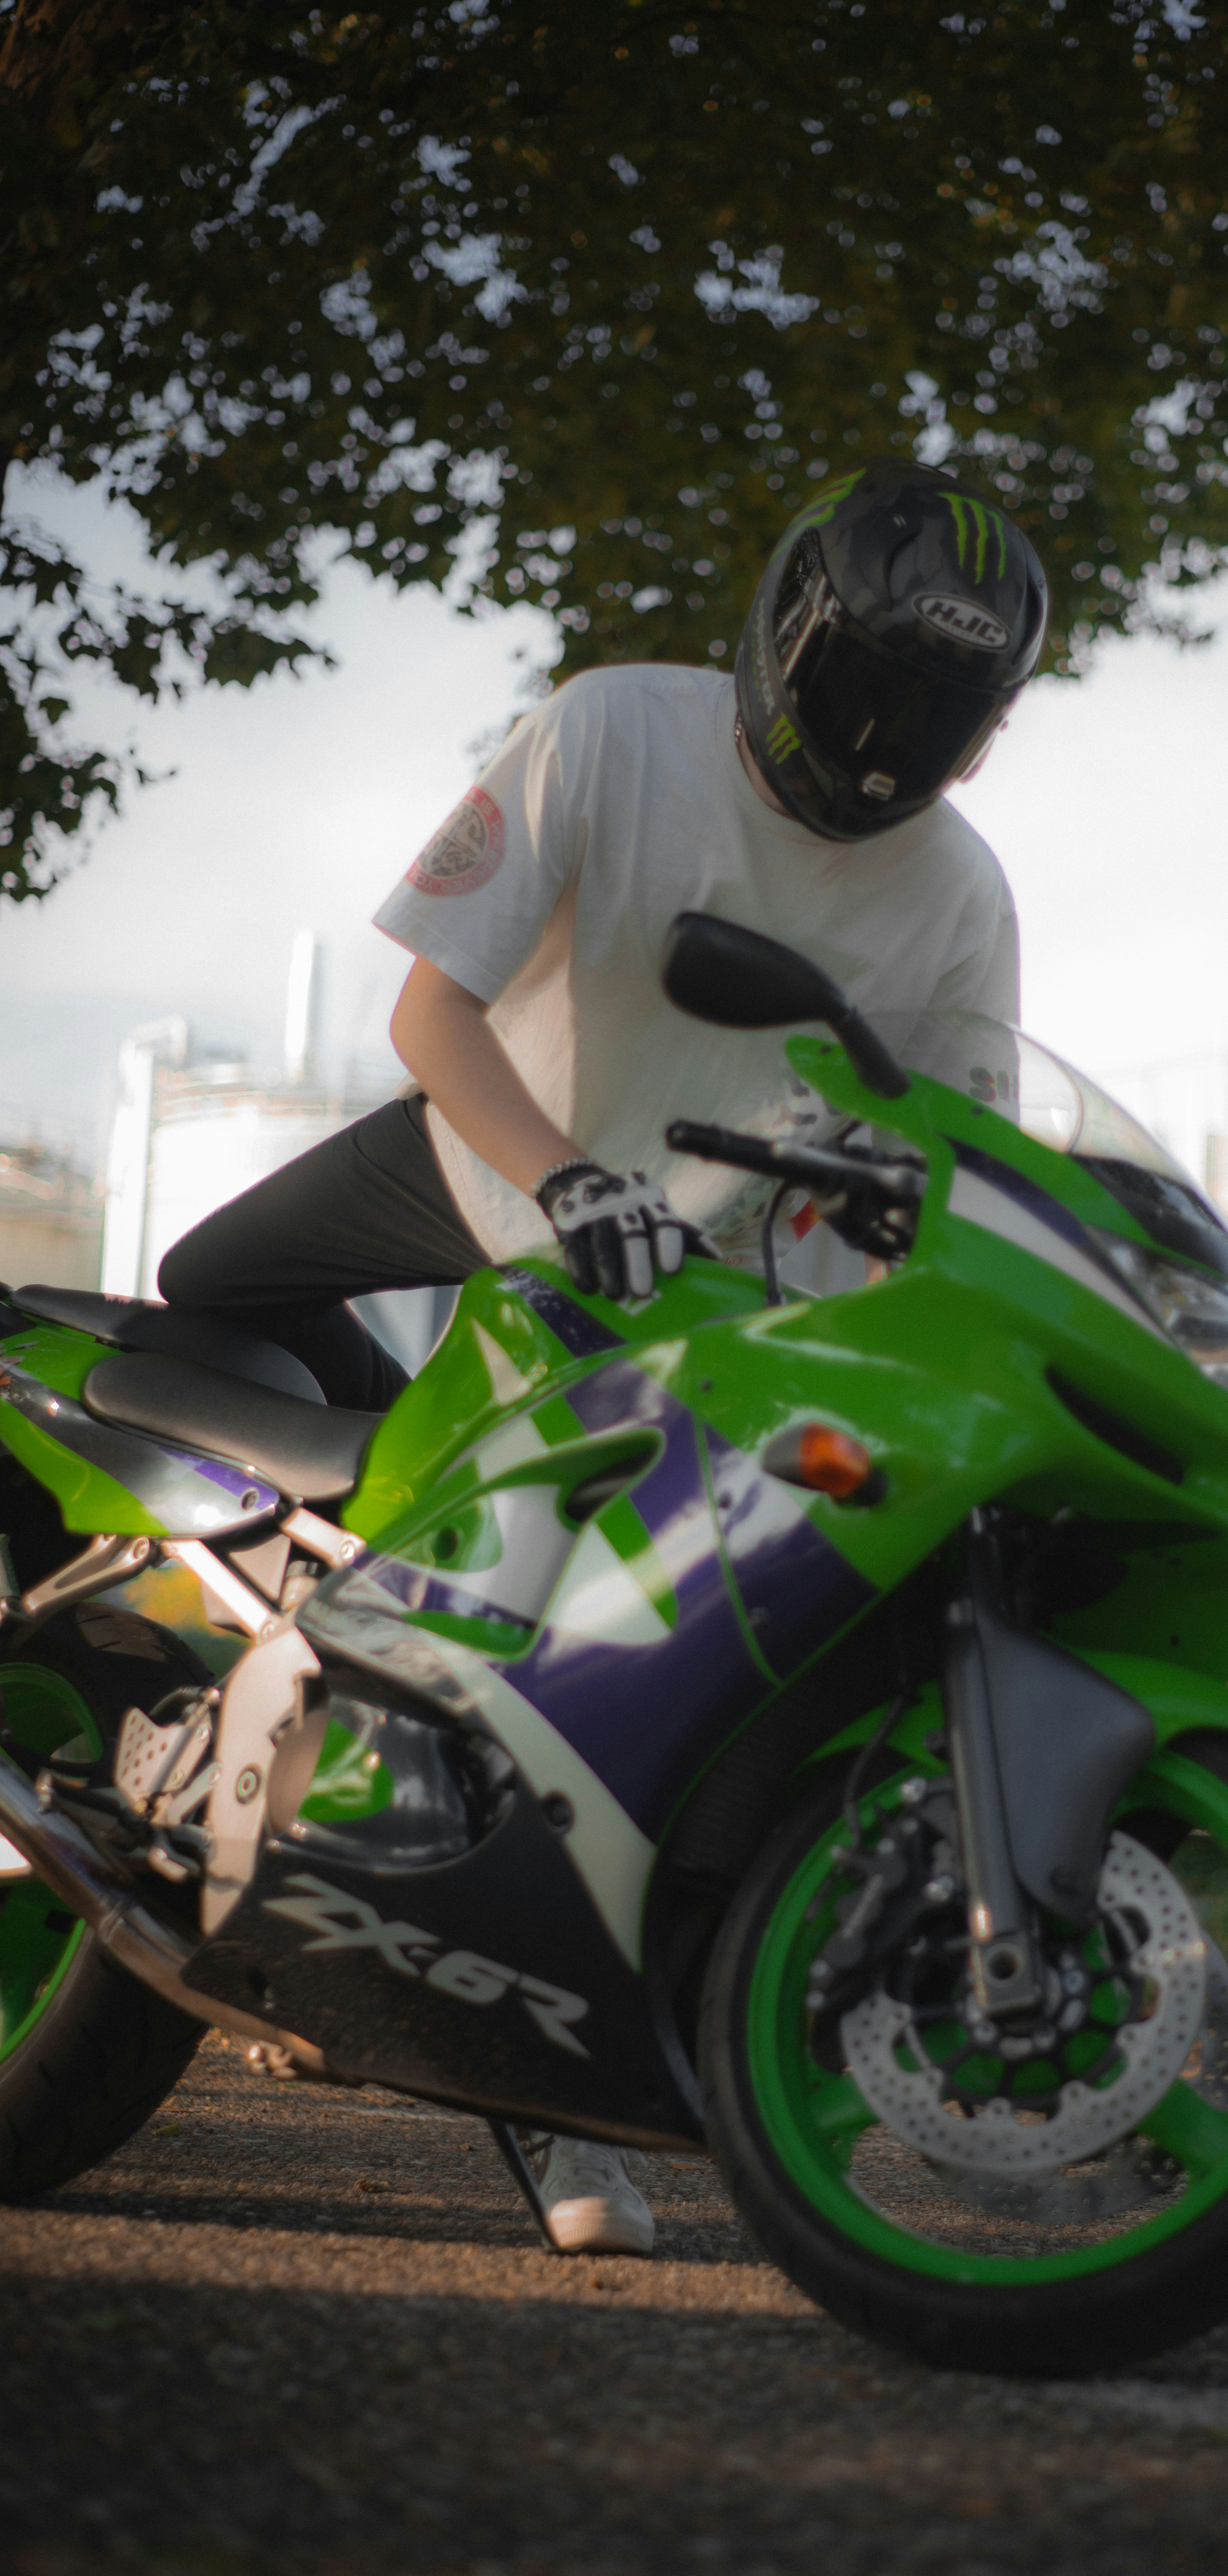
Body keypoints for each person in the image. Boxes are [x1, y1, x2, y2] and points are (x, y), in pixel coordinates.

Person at [158, 458, 1048, 2253]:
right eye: (853, 698)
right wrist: (559, 1176)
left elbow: (949, 1161)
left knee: (606, 1679)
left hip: (686, 1282)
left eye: (924, 728)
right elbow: (431, 1011)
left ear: (978, 738)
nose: (875, 754)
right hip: (495, 1151)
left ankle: (551, 2113)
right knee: (203, 1282)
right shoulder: (609, 730)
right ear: (781, 637)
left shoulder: (962, 896)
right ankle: (312, 1561)